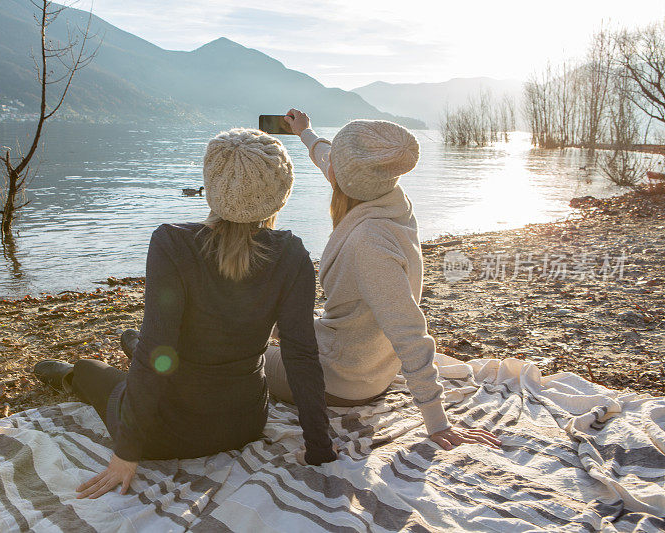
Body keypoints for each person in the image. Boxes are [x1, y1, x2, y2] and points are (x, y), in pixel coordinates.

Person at [33, 128, 336, 499]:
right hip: (244, 423)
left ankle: (70, 377)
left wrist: (127, 454)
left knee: (90, 369)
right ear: (281, 195)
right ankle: (132, 344)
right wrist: (320, 446)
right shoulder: (292, 254)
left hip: (166, 433)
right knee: (149, 347)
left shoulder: (173, 243)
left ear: (212, 185)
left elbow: (157, 350)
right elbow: (300, 354)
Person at [264, 109, 501, 451]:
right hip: (367, 365)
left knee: (243, 352)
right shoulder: (390, 198)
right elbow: (332, 160)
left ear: (343, 176)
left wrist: (437, 421)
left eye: (335, 162)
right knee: (276, 327)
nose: (327, 163)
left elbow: (408, 329)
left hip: (341, 380)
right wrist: (306, 133)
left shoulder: (369, 243)